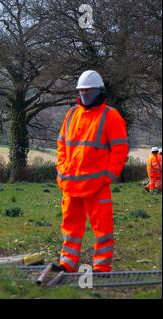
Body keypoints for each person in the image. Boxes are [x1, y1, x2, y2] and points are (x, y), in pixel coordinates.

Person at [55, 70, 129, 273]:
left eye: (88, 91)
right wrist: (62, 170)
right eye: (82, 91)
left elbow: (120, 150)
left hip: (97, 186)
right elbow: (62, 145)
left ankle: (102, 266)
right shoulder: (71, 114)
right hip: (71, 184)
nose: (84, 94)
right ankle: (67, 263)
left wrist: (108, 177)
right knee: (70, 227)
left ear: (99, 91)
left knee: (102, 229)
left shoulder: (111, 116)